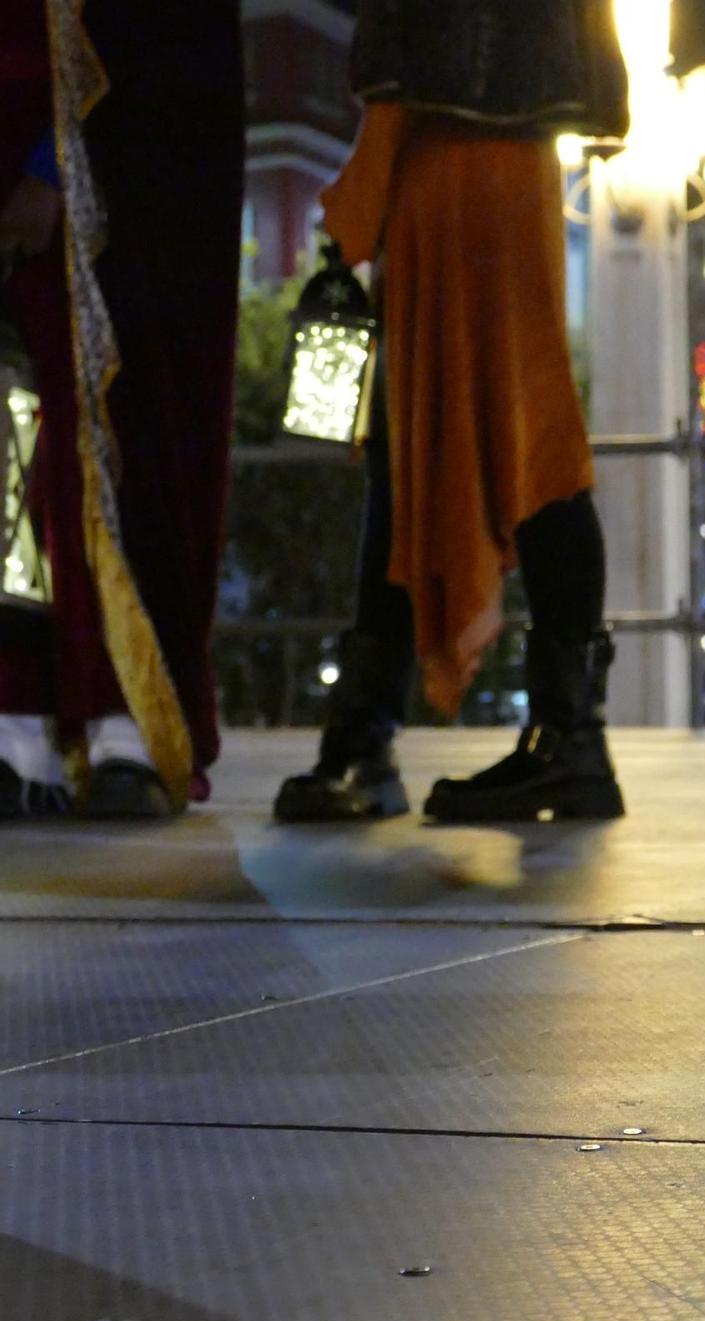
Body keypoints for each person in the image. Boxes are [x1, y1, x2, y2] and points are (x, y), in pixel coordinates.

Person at [274, 0, 630, 823]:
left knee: (419, 459)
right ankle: (570, 738)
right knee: (533, 446)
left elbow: (410, 61)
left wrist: (352, 215)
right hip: (521, 178)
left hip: (441, 179)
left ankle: (364, 742)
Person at [0, 1, 241, 819]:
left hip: (108, 164)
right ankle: (20, 721)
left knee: (103, 443)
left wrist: (55, 167)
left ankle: (122, 723)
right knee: (14, 449)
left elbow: (152, 45)